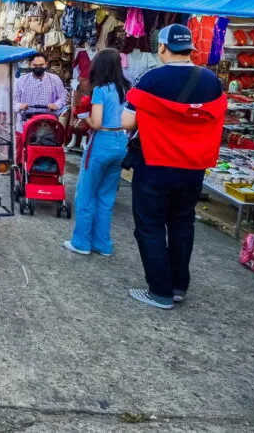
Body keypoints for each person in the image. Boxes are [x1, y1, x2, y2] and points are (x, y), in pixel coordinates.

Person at [122, 24, 226, 310]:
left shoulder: (151, 79)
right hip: (193, 166)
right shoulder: (211, 81)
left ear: (163, 47)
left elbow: (128, 122)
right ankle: (179, 286)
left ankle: (160, 292)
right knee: (182, 223)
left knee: (150, 226)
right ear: (191, 48)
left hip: (156, 163)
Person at [64, 49, 130, 257]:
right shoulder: (127, 89)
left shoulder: (101, 90)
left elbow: (98, 122)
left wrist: (84, 117)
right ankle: (103, 243)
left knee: (86, 192)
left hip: (101, 142)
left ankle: (81, 242)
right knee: (106, 195)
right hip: (121, 142)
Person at [13, 53, 67, 164]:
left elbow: (62, 98)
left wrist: (56, 105)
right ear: (30, 65)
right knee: (20, 152)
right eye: (35, 65)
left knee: (47, 152)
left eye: (41, 64)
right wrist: (20, 106)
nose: (38, 67)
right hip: (25, 122)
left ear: (46, 64)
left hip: (47, 124)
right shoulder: (21, 81)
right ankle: (19, 175)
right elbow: (13, 101)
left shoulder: (55, 79)